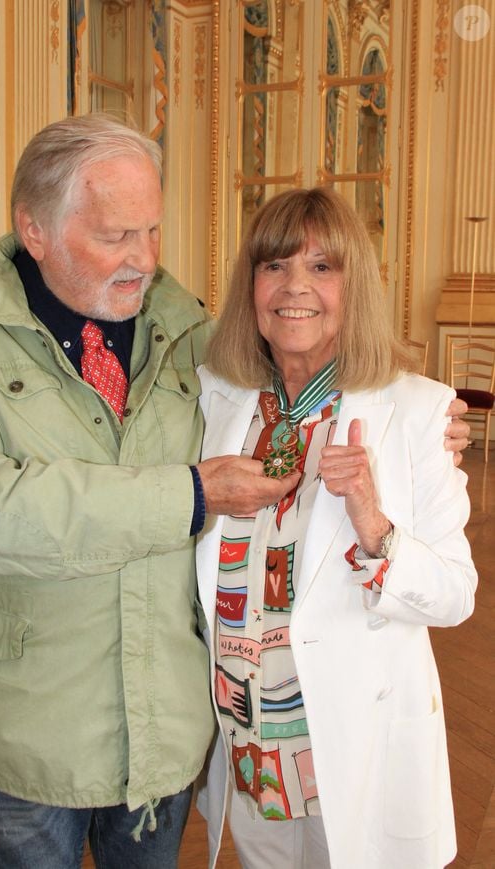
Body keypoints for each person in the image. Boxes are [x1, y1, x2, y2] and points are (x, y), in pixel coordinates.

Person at [0, 114, 303, 869]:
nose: (145, 260)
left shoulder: (184, 324)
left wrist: (413, 421)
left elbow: (297, 392)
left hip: (162, 730)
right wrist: (189, 494)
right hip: (27, 734)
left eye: (153, 231)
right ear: (35, 229)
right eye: (117, 235)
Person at [195, 187, 478, 869]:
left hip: (351, 742)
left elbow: (455, 593)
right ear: (250, 287)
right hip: (250, 742)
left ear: (357, 288)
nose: (296, 287)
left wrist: (375, 525)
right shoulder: (212, 399)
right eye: (274, 266)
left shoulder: (417, 412)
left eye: (323, 267)